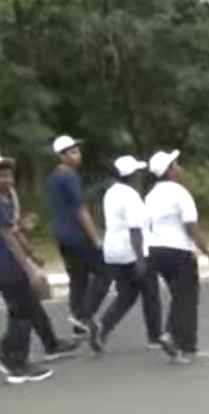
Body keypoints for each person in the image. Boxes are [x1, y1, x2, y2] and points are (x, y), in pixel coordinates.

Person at [0, 156, 81, 383]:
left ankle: (11, 353)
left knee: (25, 307)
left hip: (11, 263)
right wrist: (30, 268)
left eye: (8, 174)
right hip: (6, 265)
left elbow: (14, 231)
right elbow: (9, 238)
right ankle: (16, 364)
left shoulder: (6, 200)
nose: (7, 179)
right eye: (1, 175)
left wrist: (32, 255)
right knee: (21, 311)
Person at [145, 150, 209, 364]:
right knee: (187, 298)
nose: (179, 167)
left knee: (180, 296)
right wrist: (208, 251)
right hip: (178, 250)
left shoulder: (150, 195)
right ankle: (174, 337)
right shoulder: (179, 192)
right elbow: (190, 226)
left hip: (156, 251)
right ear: (169, 171)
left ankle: (184, 344)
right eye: (176, 164)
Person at [90, 156, 164, 353]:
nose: (140, 176)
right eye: (137, 172)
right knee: (150, 293)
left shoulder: (111, 193)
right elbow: (135, 228)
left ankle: (104, 326)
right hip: (132, 250)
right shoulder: (130, 195)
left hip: (114, 251)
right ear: (131, 175)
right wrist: (140, 259)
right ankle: (155, 336)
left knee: (127, 295)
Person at [46, 135, 112, 338]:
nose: (78, 155)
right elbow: (81, 210)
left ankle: (78, 323)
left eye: (77, 151)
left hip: (61, 236)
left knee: (78, 279)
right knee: (105, 271)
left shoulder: (53, 177)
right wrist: (96, 239)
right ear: (61, 156)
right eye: (73, 152)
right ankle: (84, 315)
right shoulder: (70, 176)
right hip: (78, 236)